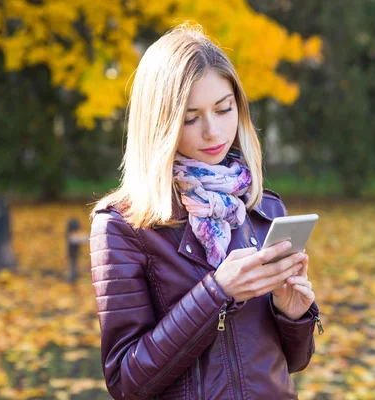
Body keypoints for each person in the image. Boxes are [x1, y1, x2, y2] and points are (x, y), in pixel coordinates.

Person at [89, 24, 323, 400]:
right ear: (159, 124)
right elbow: (126, 382)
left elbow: (293, 361)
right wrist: (217, 293)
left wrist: (292, 314)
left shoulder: (262, 207)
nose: (213, 132)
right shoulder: (122, 226)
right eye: (190, 117)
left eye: (224, 109)